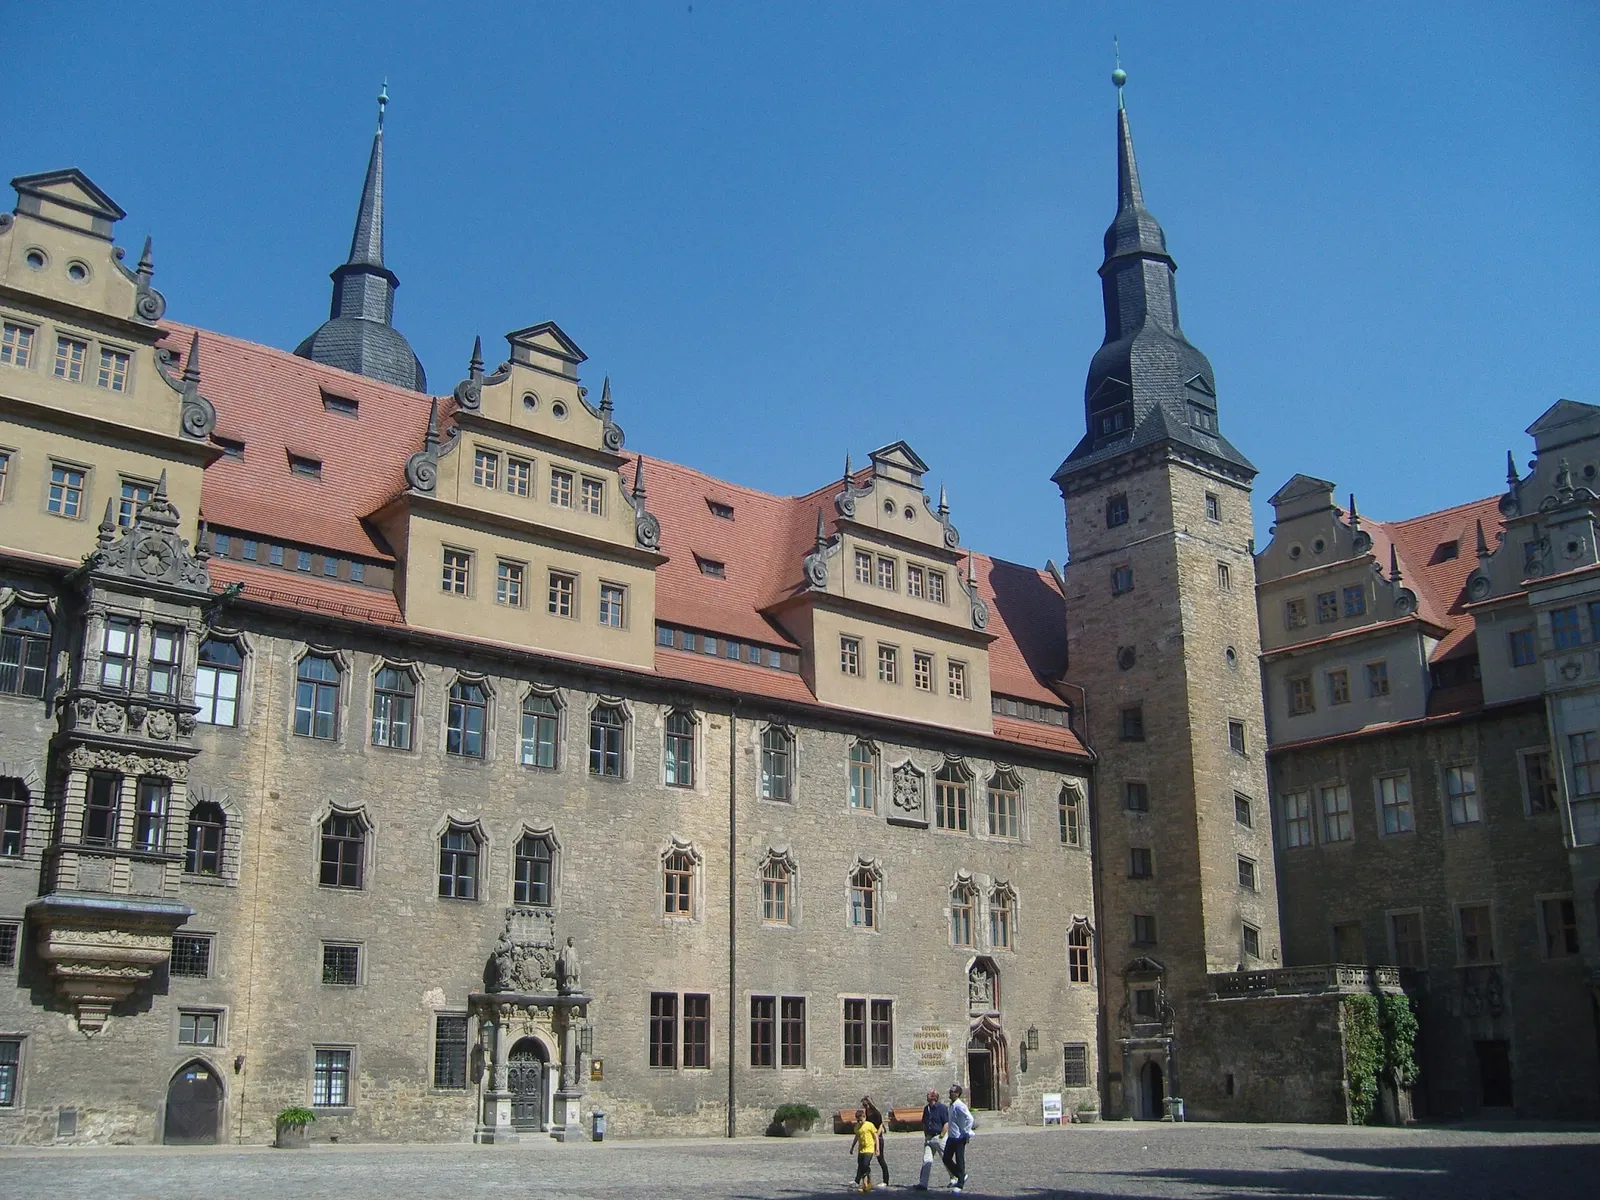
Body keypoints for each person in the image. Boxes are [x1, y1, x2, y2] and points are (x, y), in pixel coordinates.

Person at [914, 1087, 949, 1191]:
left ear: (933, 1097)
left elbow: (946, 1123)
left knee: (946, 1159)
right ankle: (923, 1183)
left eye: (928, 1095)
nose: (927, 1096)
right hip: (929, 1138)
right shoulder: (926, 1108)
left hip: (939, 1137)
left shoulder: (942, 1108)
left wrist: (942, 1135)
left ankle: (955, 1178)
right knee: (926, 1160)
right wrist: (926, 1136)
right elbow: (924, 1122)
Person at [941, 1084, 974, 1192]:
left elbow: (970, 1118)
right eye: (950, 1091)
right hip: (951, 1136)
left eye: (952, 1092)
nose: (950, 1093)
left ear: (957, 1094)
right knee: (946, 1158)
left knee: (959, 1159)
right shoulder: (952, 1105)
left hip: (959, 1137)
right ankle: (961, 1175)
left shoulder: (960, 1105)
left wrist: (966, 1132)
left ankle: (960, 1184)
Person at [861, 1096, 890, 1186]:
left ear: (869, 1104)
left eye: (866, 1105)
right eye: (863, 1105)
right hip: (869, 1139)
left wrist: (876, 1137)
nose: (865, 1107)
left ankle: (886, 1181)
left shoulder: (876, 1113)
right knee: (865, 1160)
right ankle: (866, 1181)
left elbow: (880, 1126)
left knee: (880, 1159)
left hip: (878, 1138)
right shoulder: (866, 1113)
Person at [851, 1108, 879, 1193]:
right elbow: (856, 1137)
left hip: (869, 1149)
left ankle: (868, 1182)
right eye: (858, 1120)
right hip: (861, 1150)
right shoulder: (857, 1127)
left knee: (865, 1165)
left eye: (861, 1120)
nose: (859, 1122)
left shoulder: (869, 1125)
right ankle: (865, 1185)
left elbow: (876, 1137)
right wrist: (852, 1147)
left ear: (864, 1117)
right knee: (861, 1166)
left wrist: (877, 1148)